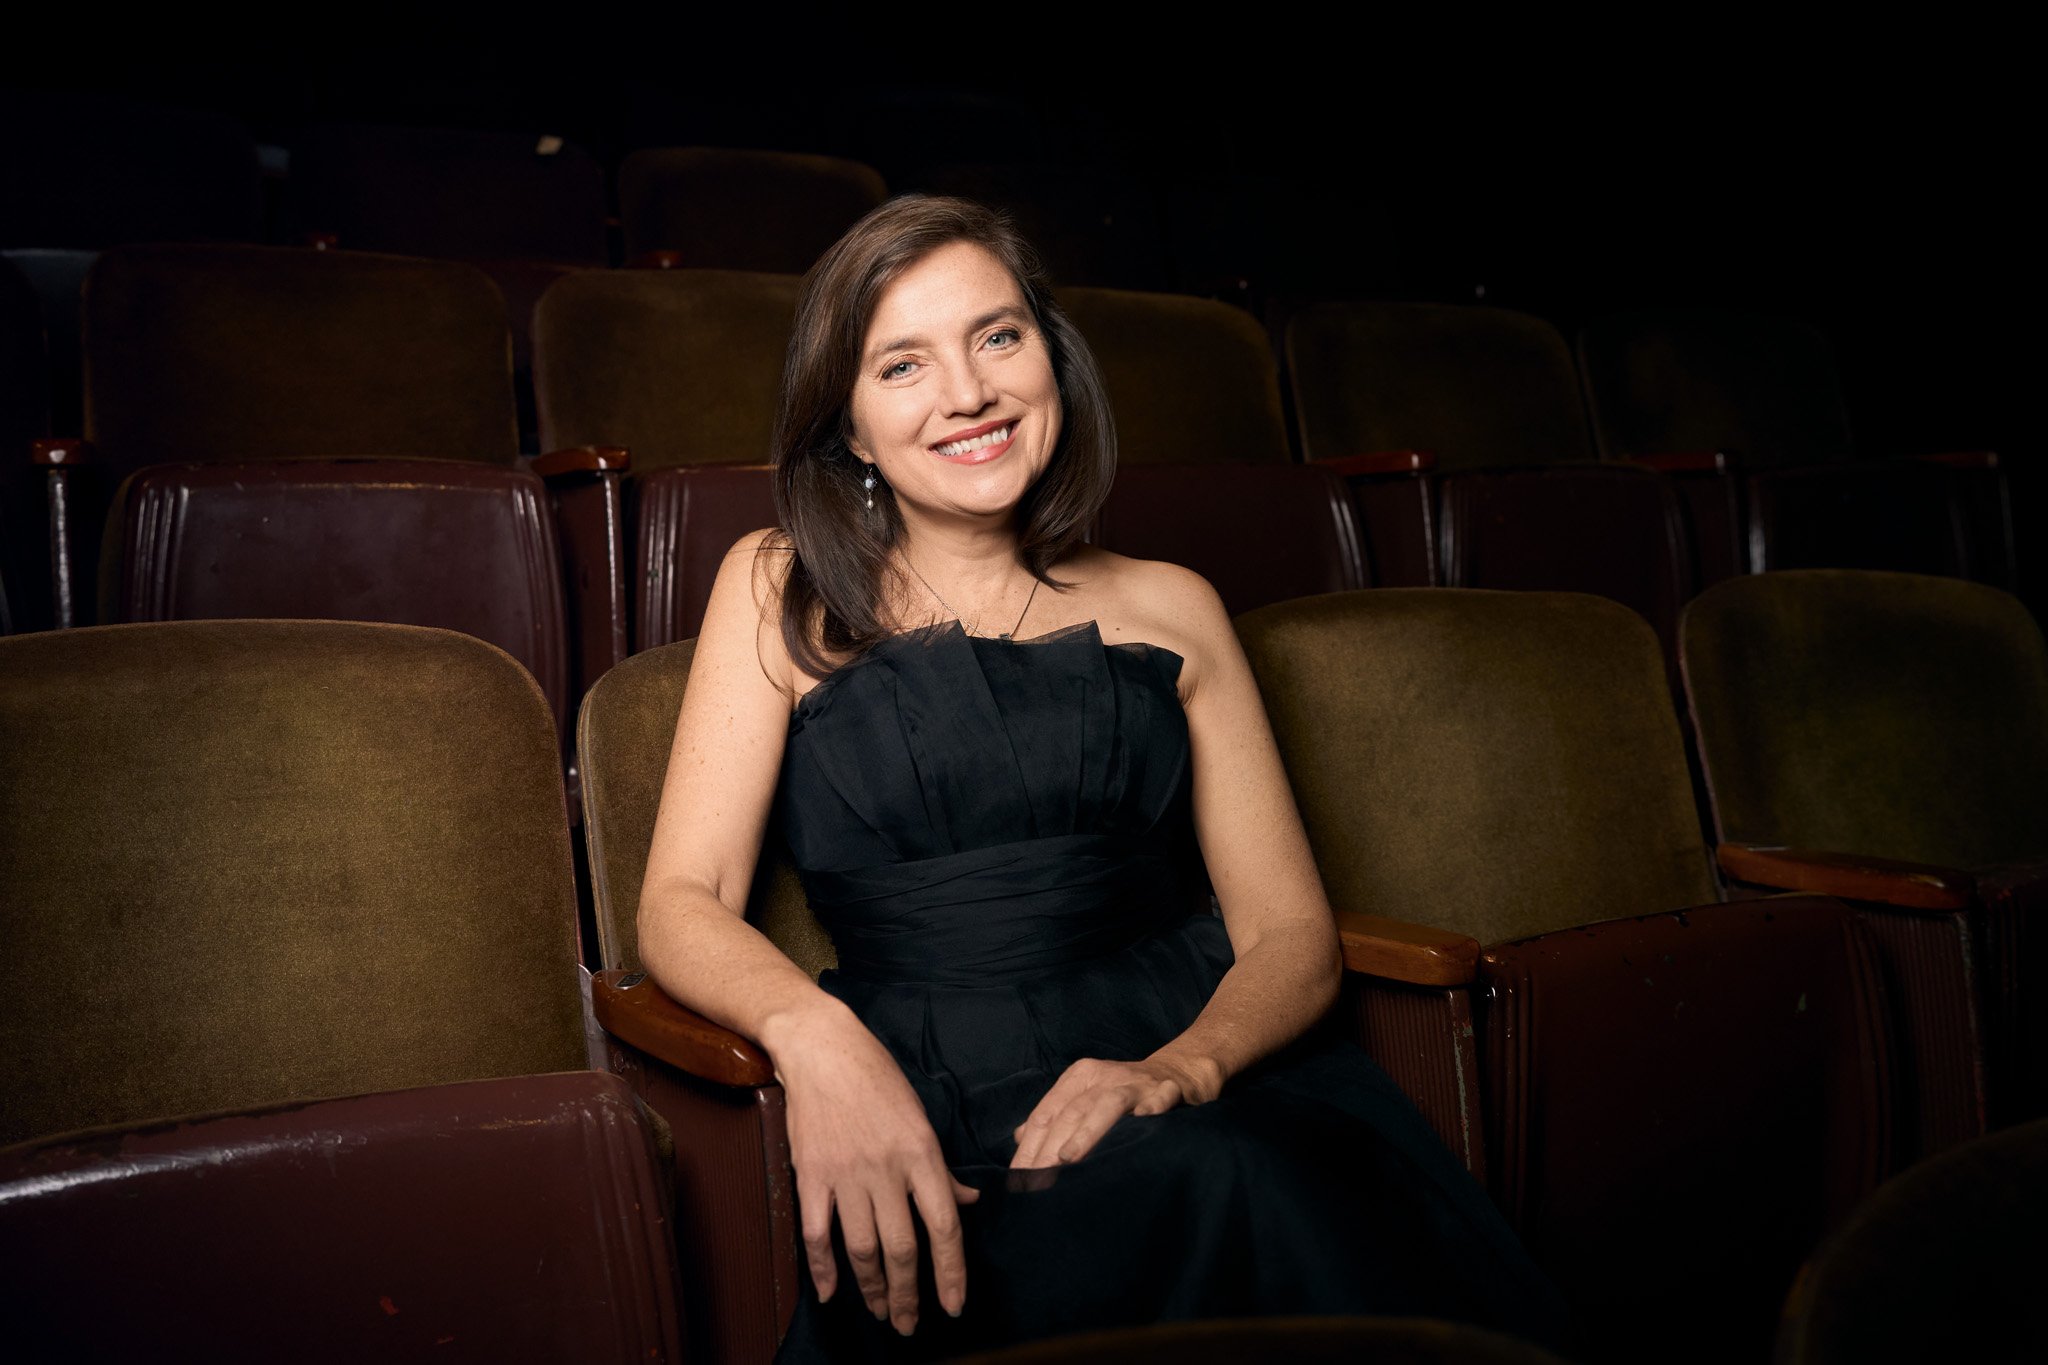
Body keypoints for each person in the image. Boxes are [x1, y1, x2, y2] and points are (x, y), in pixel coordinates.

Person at [635, 195, 1567, 1362]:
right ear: (851, 431)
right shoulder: (773, 583)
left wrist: (1176, 1071)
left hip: (1185, 1064)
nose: (967, 393)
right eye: (902, 364)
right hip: (929, 1085)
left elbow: (1287, 934)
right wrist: (817, 1045)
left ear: (1052, 362)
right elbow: (678, 902)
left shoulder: (1173, 604)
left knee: (1264, 1194)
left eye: (997, 336)